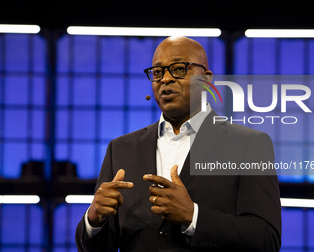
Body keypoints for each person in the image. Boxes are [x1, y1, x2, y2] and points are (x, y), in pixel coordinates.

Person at [75, 36, 281, 251]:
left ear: (206, 79)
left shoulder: (249, 144)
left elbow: (267, 239)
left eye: (179, 69)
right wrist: (94, 220)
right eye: (157, 72)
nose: (165, 79)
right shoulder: (120, 148)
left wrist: (193, 216)